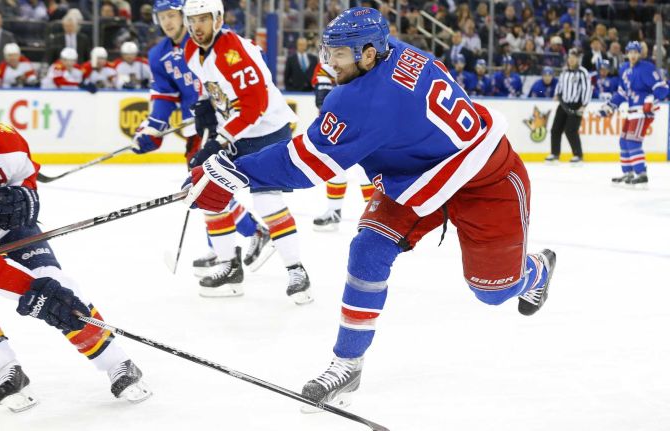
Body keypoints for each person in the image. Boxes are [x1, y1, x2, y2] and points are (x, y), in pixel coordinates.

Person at [183, 7, 557, 408]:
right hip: (415, 175)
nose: (329, 64)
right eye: (328, 53)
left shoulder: (370, 98)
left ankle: (536, 270)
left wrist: (230, 172)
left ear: (367, 54)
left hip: (484, 178)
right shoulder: (387, 51)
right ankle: (348, 363)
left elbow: (303, 166)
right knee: (368, 249)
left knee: (492, 291)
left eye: (338, 56)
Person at [0, 95, 151, 412]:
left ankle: (116, 361)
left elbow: (27, 175)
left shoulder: (4, 138)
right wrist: (37, 296)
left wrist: (26, 195)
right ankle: (4, 369)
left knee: (54, 279)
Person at [182, 0, 313, 303]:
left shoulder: (233, 52)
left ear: (218, 19)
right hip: (236, 130)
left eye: (203, 19)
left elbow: (256, 106)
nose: (197, 26)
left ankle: (297, 271)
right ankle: (229, 266)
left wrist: (218, 140)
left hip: (267, 131)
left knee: (266, 199)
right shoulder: (192, 50)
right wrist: (204, 105)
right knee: (210, 195)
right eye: (193, 20)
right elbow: (210, 84)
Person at [134, 0, 273, 281]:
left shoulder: (207, 38)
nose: (168, 22)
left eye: (173, 15)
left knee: (204, 187)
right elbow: (164, 96)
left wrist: (216, 106)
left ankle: (244, 236)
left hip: (219, 126)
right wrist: (151, 129)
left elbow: (249, 67)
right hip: (194, 128)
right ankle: (222, 242)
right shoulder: (158, 54)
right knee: (205, 189)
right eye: (163, 17)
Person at [310, 62, 373, 231]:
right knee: (334, 165)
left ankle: (375, 216)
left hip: (366, 120)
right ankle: (334, 211)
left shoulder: (370, 54)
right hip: (339, 121)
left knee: (366, 169)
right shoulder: (333, 56)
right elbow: (322, 81)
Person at [598, 41, 669, 187]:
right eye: (630, 52)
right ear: (626, 53)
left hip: (643, 112)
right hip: (631, 112)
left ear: (640, 53)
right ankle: (628, 173)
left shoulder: (647, 68)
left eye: (636, 52)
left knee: (632, 141)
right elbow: (622, 93)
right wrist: (610, 106)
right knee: (623, 141)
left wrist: (651, 99)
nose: (633, 55)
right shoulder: (624, 69)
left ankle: (641, 174)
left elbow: (662, 88)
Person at [546, 48, 591, 164]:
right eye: (570, 58)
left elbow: (587, 90)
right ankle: (555, 154)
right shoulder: (564, 72)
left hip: (576, 105)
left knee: (571, 130)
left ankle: (578, 155)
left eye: (574, 58)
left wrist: (583, 106)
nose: (571, 60)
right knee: (555, 129)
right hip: (563, 104)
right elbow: (560, 86)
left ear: (577, 59)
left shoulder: (583, 72)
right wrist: (556, 94)